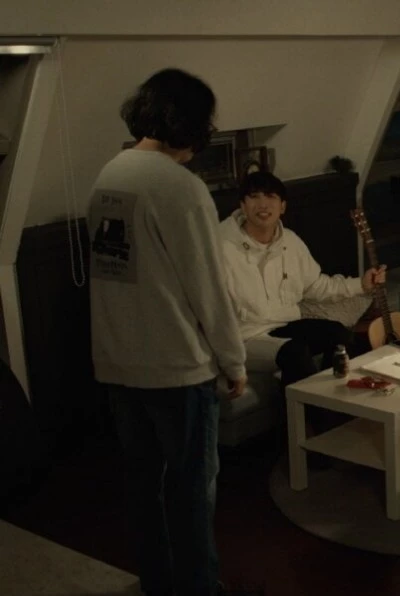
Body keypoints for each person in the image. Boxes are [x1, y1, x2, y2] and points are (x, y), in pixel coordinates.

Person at [87, 68, 257, 596]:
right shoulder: (180, 188)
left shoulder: (109, 174)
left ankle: (157, 585)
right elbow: (207, 288)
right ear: (189, 124)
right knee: (191, 491)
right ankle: (199, 588)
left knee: (143, 486)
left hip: (118, 362)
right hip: (176, 367)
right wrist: (234, 361)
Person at [219, 171, 386, 430]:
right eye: (254, 197)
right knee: (295, 353)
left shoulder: (290, 242)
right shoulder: (220, 246)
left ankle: (338, 410)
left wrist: (361, 285)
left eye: (270, 197)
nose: (263, 205)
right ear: (242, 205)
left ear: (282, 206)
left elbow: (316, 286)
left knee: (338, 334)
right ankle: (307, 431)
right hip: (245, 337)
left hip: (284, 325)